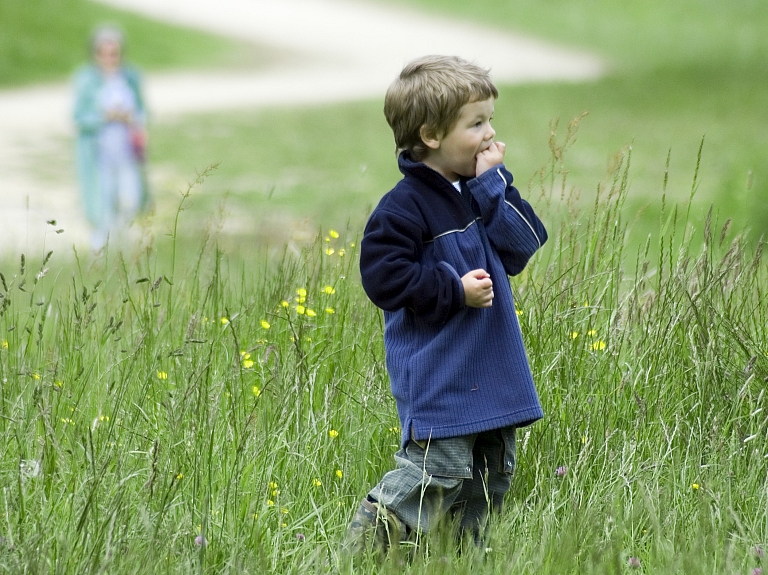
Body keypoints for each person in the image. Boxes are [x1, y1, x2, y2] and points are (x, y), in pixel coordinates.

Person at [346, 55, 548, 554]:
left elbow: (524, 246)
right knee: (433, 473)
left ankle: (460, 560)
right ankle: (363, 548)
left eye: (490, 120)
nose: (490, 133)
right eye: (476, 123)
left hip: (493, 377)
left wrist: (493, 189)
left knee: (487, 483)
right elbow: (383, 278)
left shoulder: (481, 192)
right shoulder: (404, 207)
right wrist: (453, 290)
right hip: (441, 376)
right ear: (432, 135)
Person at [73, 26, 148, 250]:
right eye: (103, 53)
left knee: (131, 200)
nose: (109, 58)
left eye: (114, 53)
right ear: (95, 54)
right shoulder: (87, 80)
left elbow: (143, 112)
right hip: (100, 151)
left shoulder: (130, 77)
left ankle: (124, 247)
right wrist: (103, 116)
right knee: (102, 202)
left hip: (127, 151)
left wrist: (131, 117)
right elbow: (79, 117)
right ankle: (99, 250)